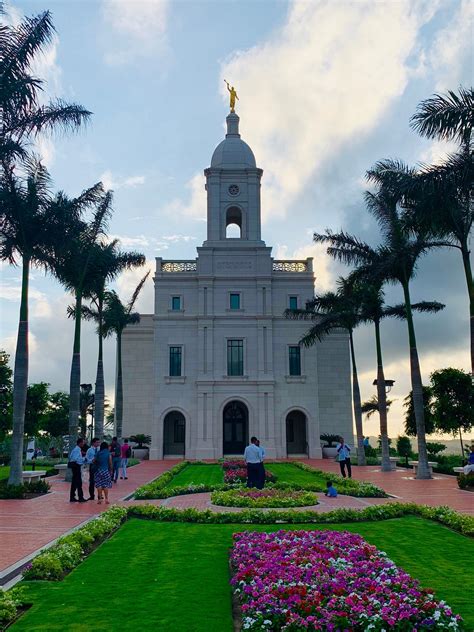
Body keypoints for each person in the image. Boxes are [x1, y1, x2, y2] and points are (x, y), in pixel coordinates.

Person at [69, 438, 87, 503]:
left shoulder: (76, 449)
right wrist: (83, 459)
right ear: (80, 443)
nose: (84, 443)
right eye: (83, 442)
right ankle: (80, 497)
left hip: (75, 467)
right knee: (79, 482)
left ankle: (72, 497)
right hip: (76, 467)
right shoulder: (77, 450)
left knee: (74, 482)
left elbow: (71, 457)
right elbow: (74, 459)